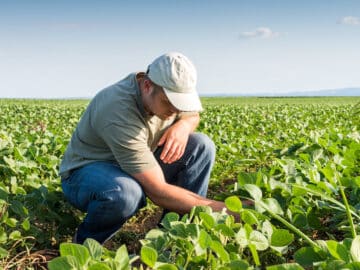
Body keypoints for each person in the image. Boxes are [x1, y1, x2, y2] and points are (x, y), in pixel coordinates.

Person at [59, 52, 236, 244]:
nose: (176, 111)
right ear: (147, 86)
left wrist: (183, 126)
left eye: (180, 104)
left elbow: (192, 115)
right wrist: (228, 211)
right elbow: (158, 191)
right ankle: (84, 246)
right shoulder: (117, 110)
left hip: (136, 163)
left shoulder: (166, 88)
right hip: (88, 173)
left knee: (201, 146)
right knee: (126, 193)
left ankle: (173, 238)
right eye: (170, 103)